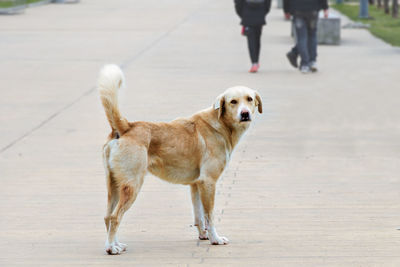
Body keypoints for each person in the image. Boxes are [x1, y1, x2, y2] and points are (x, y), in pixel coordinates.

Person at [284, 0, 329, 74]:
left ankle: (305, 64)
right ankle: (312, 61)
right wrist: (325, 8)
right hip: (313, 8)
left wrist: (286, 10)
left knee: (302, 37)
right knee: (312, 35)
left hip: (297, 9)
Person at [234, 0, 272, 73]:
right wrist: (264, 12)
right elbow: (268, 3)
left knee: (251, 39)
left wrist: (242, 13)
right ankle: (255, 62)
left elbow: (238, 3)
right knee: (257, 38)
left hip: (247, 11)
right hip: (260, 11)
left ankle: (254, 62)